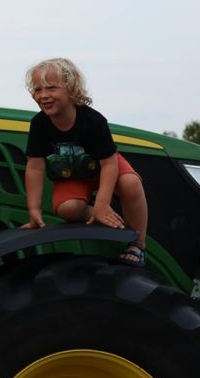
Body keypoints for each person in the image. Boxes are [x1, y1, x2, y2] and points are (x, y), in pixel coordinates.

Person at [19, 57, 149, 266]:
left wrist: (103, 201)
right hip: (71, 175)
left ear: (71, 89)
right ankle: (99, 214)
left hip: (104, 167)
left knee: (130, 183)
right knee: (68, 209)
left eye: (51, 88)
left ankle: (138, 243)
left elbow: (109, 163)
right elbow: (35, 167)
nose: (43, 96)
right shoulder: (39, 124)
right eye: (37, 90)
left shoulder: (93, 121)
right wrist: (34, 209)